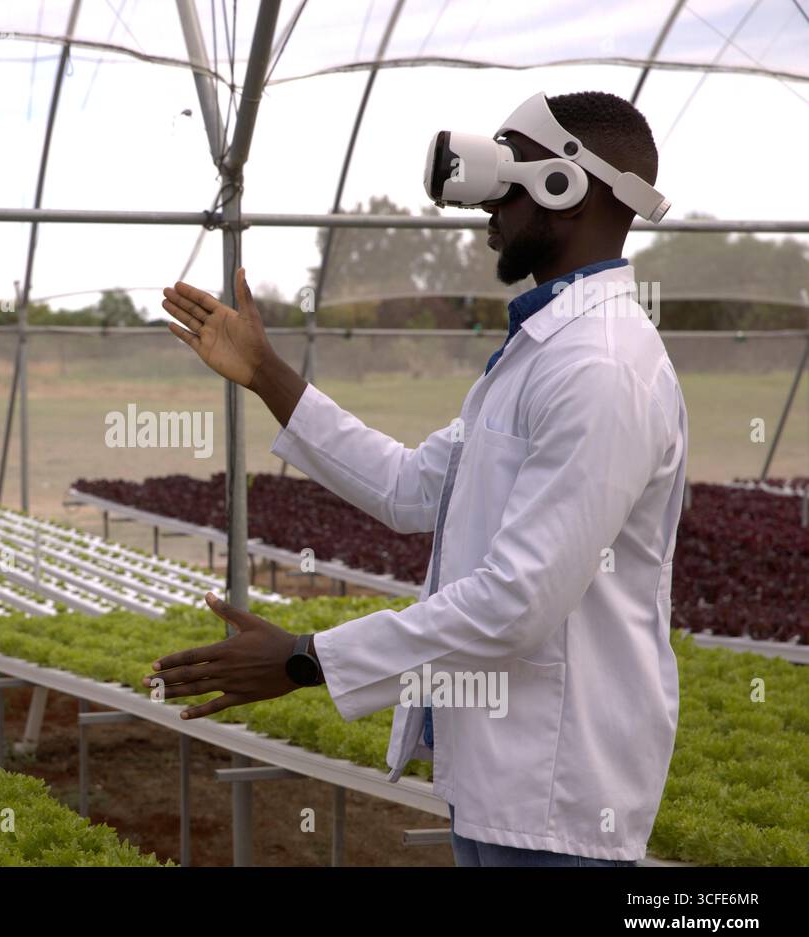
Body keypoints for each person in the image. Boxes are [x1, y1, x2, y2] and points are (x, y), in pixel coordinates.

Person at [148, 91, 687, 866]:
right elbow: (408, 488)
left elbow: (517, 601)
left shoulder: (599, 367)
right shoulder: (543, 352)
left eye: (507, 177)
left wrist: (305, 656)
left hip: (557, 799)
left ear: (571, 187)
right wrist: (267, 374)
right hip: (502, 783)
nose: (487, 208)